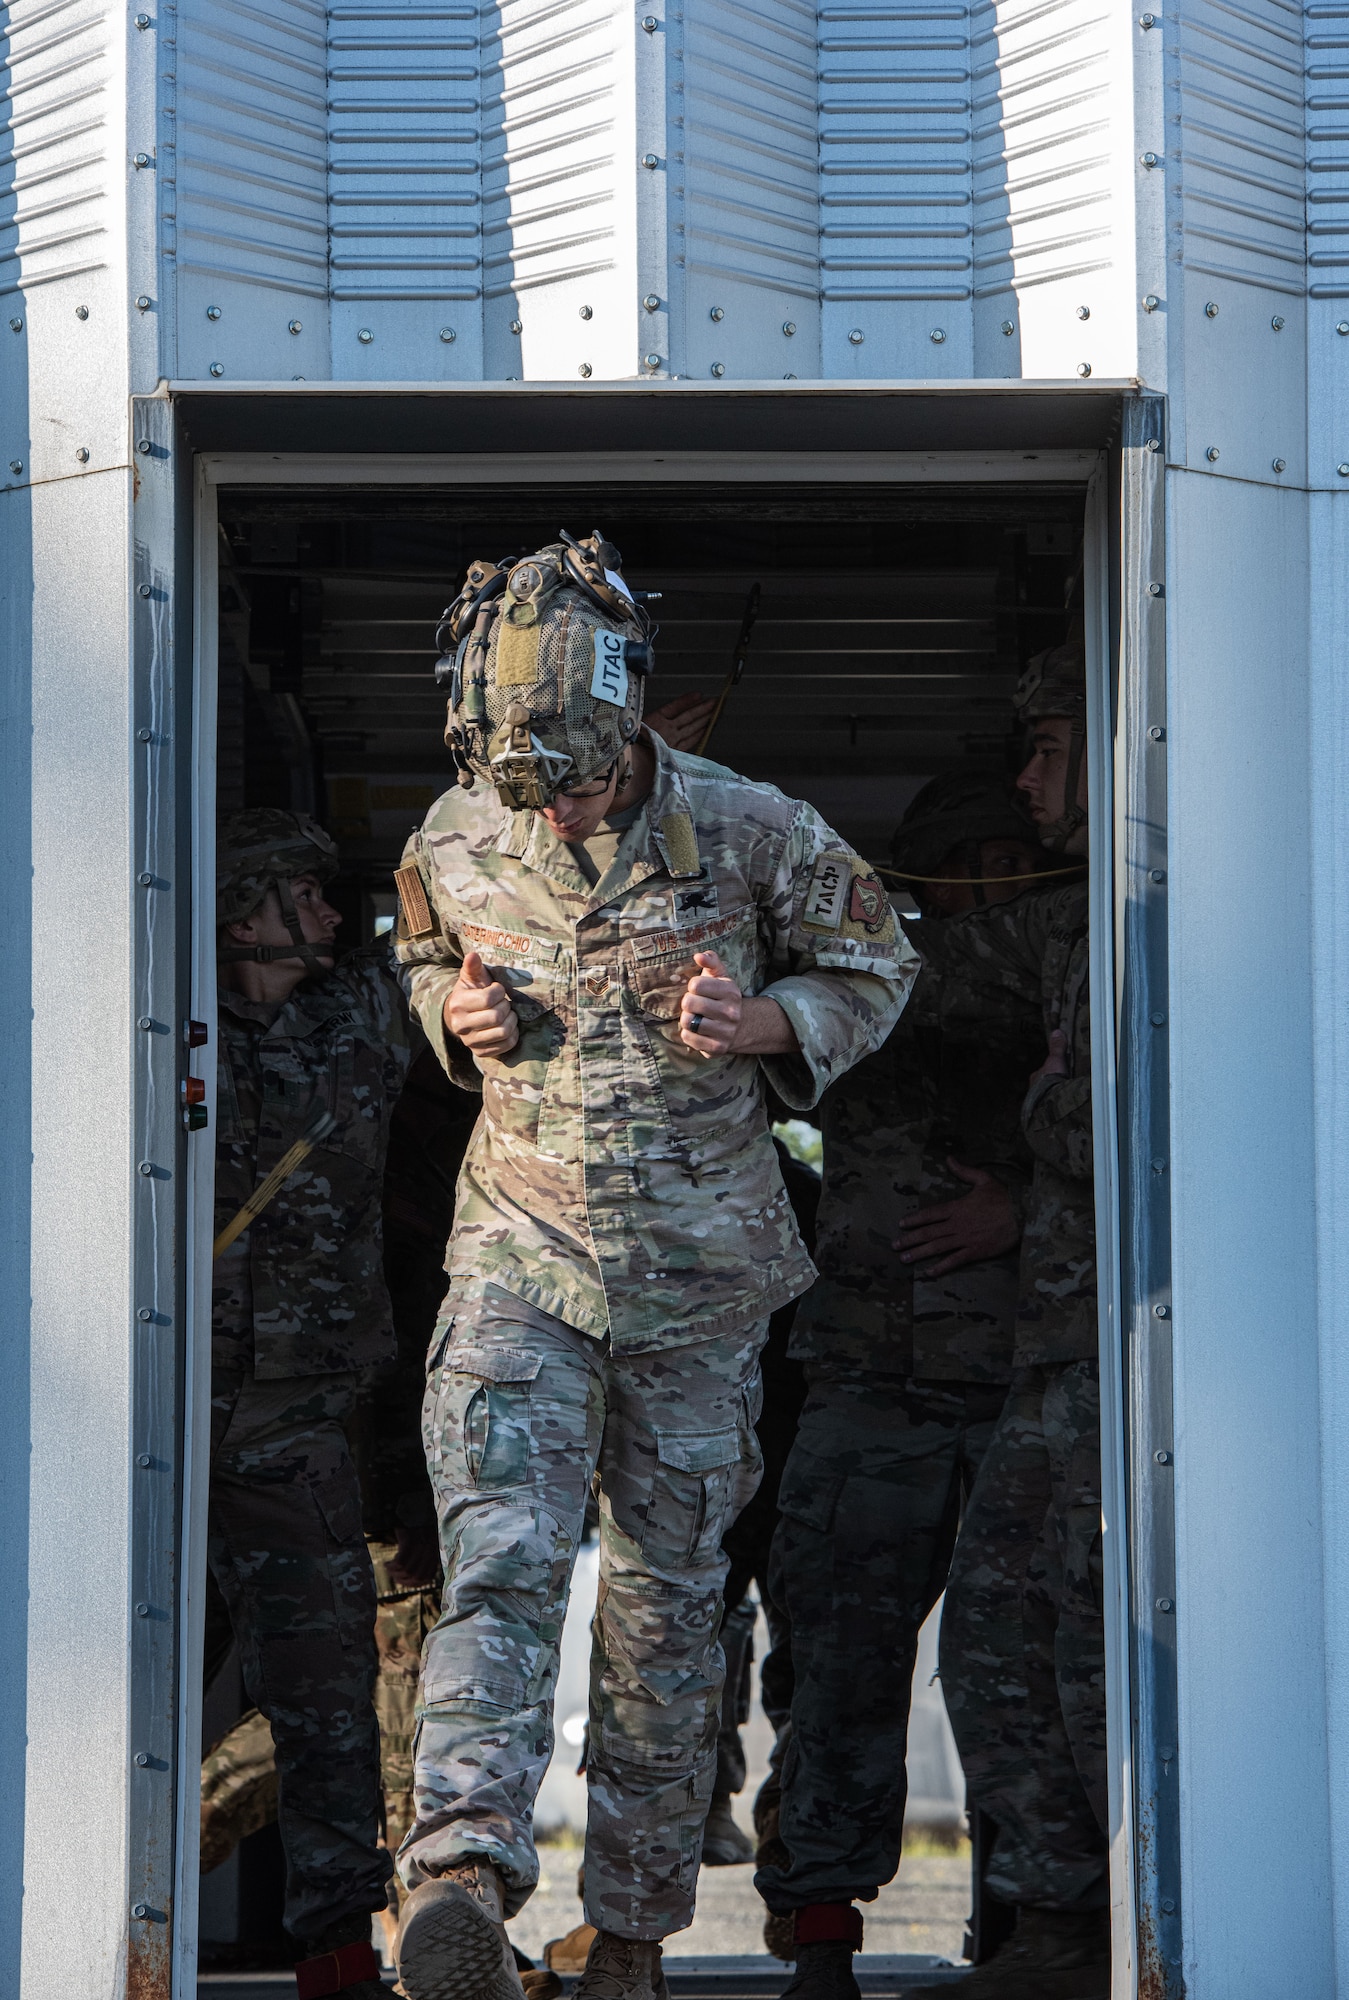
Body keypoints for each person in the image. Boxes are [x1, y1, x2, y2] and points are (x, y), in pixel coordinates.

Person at [387, 530, 917, 2000]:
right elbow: (419, 963)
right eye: (523, 784)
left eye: (575, 776)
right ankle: (462, 1877)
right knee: (495, 1566)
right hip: (522, 1258)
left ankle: (626, 1933)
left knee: (667, 1604)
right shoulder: (453, 834)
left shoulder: (758, 833)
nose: (551, 811)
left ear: (627, 725)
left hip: (700, 1284)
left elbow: (879, 969)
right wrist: (455, 1019)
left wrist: (764, 1025)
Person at [752, 776, 1049, 1993]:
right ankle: (819, 1933)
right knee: (831, 1668)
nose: (987, 878)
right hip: (867, 1384)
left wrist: (1023, 1210)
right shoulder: (862, 984)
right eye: (962, 860)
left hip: (1014, 1384)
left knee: (1020, 1681)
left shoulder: (1066, 976)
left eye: (1002, 855)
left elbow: (1146, 1134)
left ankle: (1032, 1934)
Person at [902, 646, 1107, 2000]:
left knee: (1096, 1652)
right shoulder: (1064, 923)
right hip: (1058, 1349)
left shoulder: (1163, 910)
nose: (1028, 785)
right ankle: (1054, 1926)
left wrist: (1031, 1189)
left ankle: (1128, 1924)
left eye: (1045, 753)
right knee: (990, 1636)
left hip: (1132, 1364)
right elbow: (916, 985)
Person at [208, 810, 417, 2000]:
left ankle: (340, 1962)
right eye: (303, 893)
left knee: (329, 1696)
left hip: (295, 1420)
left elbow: (463, 904)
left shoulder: (359, 1015)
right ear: (242, 916)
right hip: (161, 1420)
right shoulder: (157, 1019)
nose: (333, 913)